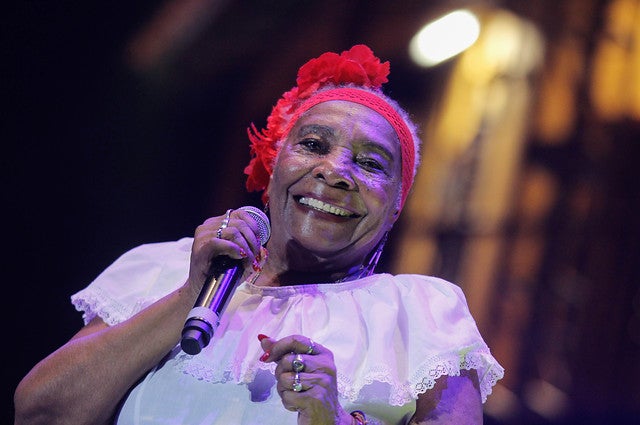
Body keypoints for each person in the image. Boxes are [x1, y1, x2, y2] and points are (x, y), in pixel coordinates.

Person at [14, 44, 504, 425]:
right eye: (314, 145)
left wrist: (332, 418)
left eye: (371, 164)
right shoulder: (163, 270)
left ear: (396, 204)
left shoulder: (419, 315)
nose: (335, 172)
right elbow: (40, 415)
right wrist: (189, 296)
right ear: (273, 167)